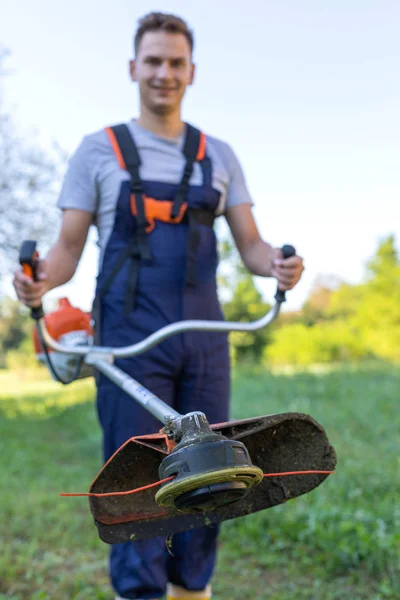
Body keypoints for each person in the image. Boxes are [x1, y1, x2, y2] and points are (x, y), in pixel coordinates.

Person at [13, 12, 304, 600]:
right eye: (153, 61)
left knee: (215, 472)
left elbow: (251, 245)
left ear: (191, 71)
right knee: (138, 480)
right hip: (126, 341)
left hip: (204, 339)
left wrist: (278, 263)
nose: (164, 73)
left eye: (175, 63)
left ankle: (192, 589)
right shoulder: (99, 151)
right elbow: (68, 249)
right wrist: (40, 281)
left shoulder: (216, 155)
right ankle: (139, 592)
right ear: (132, 68)